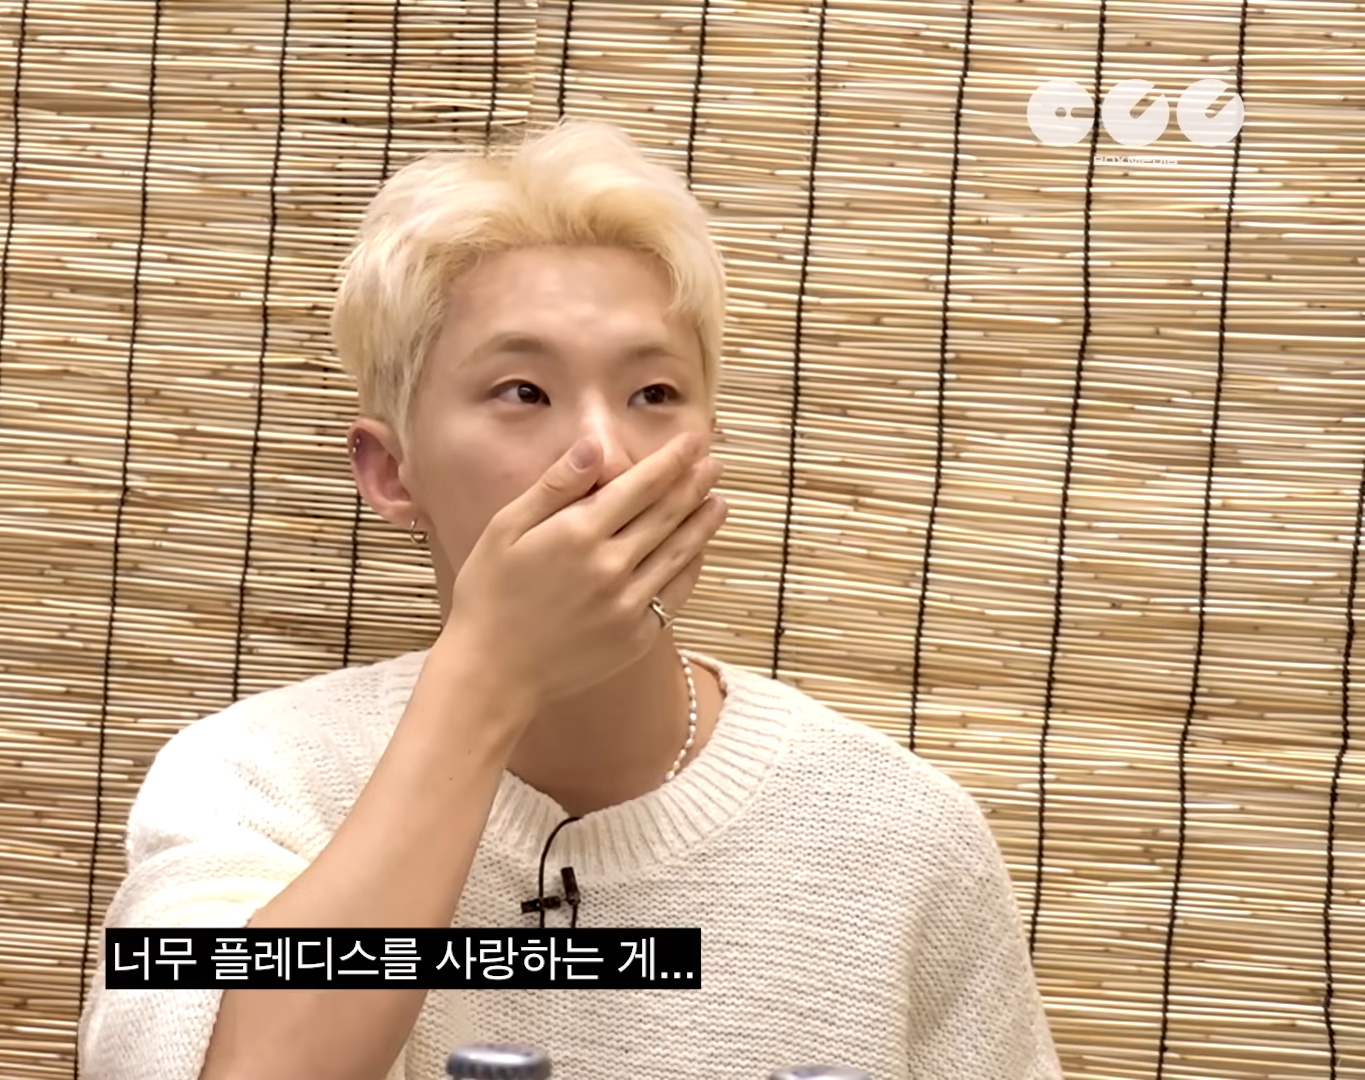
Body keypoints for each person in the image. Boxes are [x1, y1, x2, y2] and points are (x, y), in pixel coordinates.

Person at [77, 118, 1062, 1080]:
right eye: (523, 392)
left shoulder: (903, 834)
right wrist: (489, 677)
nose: (605, 454)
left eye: (654, 396)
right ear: (391, 471)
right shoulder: (246, 783)